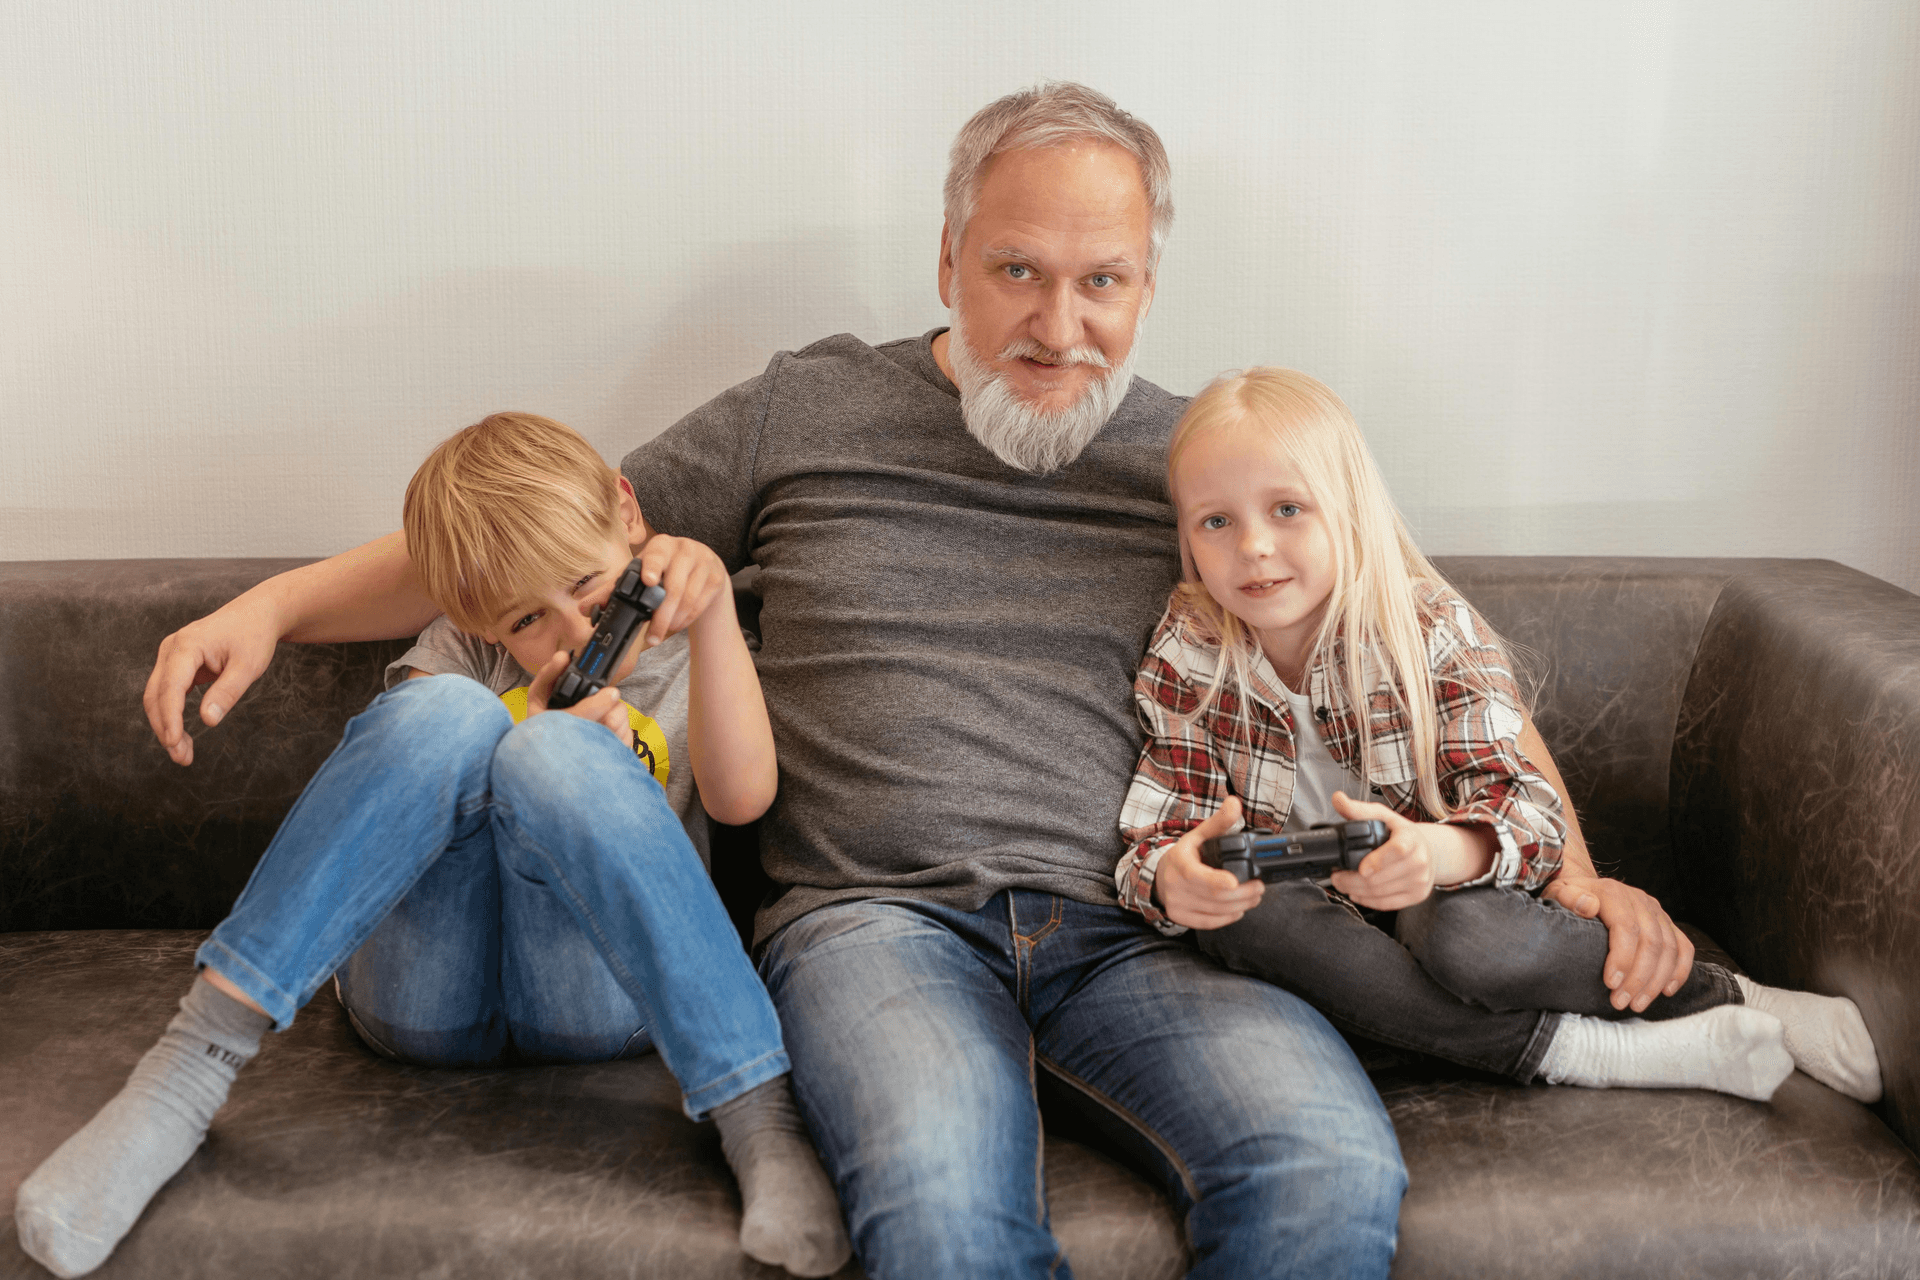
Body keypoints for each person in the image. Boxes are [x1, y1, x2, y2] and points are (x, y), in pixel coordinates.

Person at [133, 84, 1703, 1276]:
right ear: (950, 254)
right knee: (945, 1211)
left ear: (1149, 285)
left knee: (1326, 1168)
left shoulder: (1208, 463)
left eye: (1104, 283)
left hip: (1145, 927)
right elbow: (544, 542)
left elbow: (1429, 652)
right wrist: (273, 608)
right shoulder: (805, 406)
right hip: (869, 923)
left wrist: (1583, 869)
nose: (1060, 325)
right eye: (1019, 270)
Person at [15, 414, 850, 1280]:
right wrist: (523, 713)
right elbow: (400, 783)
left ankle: (756, 1114)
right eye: (528, 617)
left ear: (629, 515)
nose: (569, 635)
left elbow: (742, 795)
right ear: (481, 622)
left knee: (557, 754)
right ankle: (189, 1069)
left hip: (597, 998)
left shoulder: (688, 653)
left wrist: (710, 620)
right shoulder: (465, 652)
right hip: (422, 998)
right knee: (452, 714)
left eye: (591, 593)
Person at [1115, 367, 1882, 1105]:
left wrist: (1433, 854)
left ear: (1349, 510)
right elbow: (1157, 835)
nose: (1252, 546)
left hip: (1448, 898)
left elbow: (1527, 809)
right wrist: (1173, 878)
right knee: (1246, 917)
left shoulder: (1426, 628)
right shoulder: (1189, 653)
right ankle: (1588, 1054)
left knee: (1468, 937)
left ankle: (1735, 997)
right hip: (1316, 926)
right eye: (1217, 521)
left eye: (1287, 509)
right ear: (1186, 538)